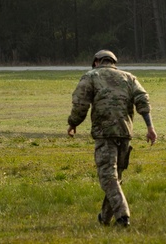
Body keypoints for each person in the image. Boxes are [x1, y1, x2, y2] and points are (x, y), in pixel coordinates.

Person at [67, 49, 157, 228]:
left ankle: (123, 216)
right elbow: (143, 100)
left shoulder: (91, 76)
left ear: (96, 62)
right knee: (115, 178)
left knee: (107, 177)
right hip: (125, 133)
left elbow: (80, 103)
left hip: (105, 134)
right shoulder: (129, 78)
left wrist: (73, 123)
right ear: (113, 62)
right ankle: (105, 218)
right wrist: (150, 127)